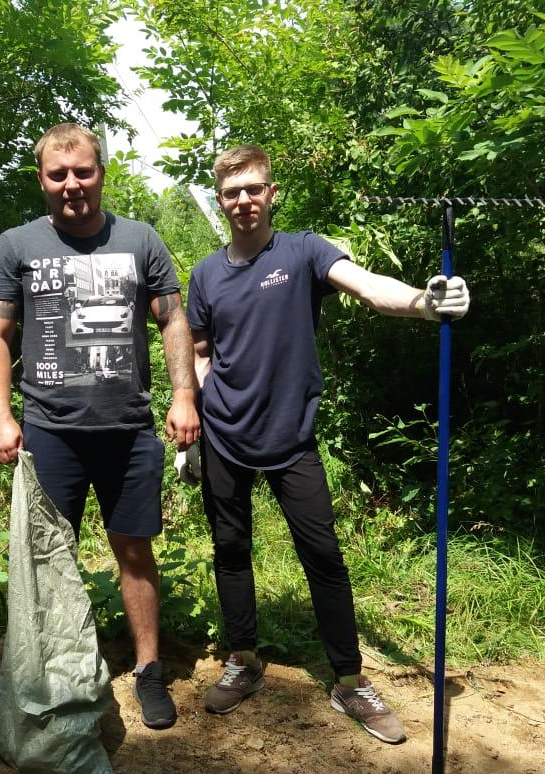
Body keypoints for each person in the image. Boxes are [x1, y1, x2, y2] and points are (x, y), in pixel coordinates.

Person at [182, 144, 470, 745]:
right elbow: (201, 353)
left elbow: (367, 287)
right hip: (224, 437)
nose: (244, 200)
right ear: (220, 200)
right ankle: (244, 658)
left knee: (324, 556)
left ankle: (348, 679)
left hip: (291, 437)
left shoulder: (305, 250)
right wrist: (194, 426)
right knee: (231, 549)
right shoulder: (206, 274)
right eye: (232, 192)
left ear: (271, 193)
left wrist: (424, 302)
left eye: (254, 188)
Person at [0, 123, 200, 730]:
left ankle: (148, 669)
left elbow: (172, 319)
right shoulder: (16, 245)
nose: (72, 184)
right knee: (49, 556)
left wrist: (185, 395)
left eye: (83, 172)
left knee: (134, 549)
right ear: (42, 180)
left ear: (101, 173)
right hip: (50, 431)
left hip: (128, 430)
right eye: (58, 174)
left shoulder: (140, 238)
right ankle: (55, 673)